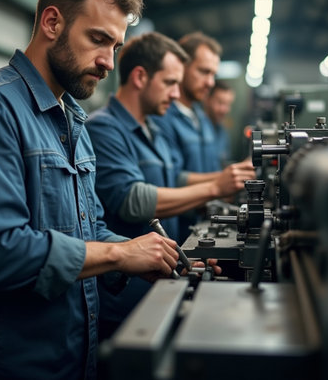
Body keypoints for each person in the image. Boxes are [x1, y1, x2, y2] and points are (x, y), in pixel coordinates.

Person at [0, 0, 180, 380]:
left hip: (73, 359)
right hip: (8, 367)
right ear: (51, 22)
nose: (108, 61)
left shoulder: (73, 120)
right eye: (98, 39)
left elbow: (90, 229)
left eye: (115, 48)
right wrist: (120, 253)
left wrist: (148, 256)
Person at [86, 32, 235, 339]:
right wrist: (214, 187)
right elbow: (130, 199)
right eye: (170, 83)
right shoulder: (104, 128)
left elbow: (175, 179)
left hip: (161, 280)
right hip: (123, 300)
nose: (176, 93)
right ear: (140, 77)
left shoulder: (154, 128)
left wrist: (180, 258)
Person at [153, 32, 255, 232]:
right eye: (203, 72)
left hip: (205, 224)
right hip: (179, 230)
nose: (210, 82)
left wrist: (233, 175)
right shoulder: (162, 118)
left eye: (213, 74)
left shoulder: (201, 118)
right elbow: (172, 178)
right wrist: (223, 179)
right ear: (182, 67)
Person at [204, 80, 236, 167]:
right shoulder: (196, 126)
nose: (224, 110)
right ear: (207, 99)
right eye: (220, 102)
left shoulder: (223, 132)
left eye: (228, 104)